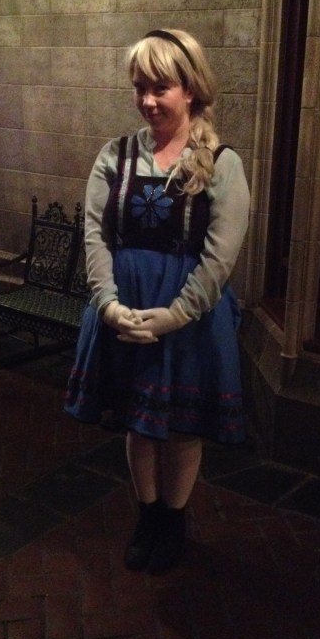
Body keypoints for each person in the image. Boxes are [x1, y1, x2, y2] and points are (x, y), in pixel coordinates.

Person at [65, 28, 250, 574]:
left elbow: (220, 257)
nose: (147, 100)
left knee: (183, 427)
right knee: (137, 421)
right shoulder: (115, 156)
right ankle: (147, 517)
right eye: (139, 87)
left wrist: (175, 315)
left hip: (189, 317)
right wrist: (107, 303)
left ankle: (173, 521)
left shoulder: (222, 163)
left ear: (190, 89)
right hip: (125, 308)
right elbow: (95, 234)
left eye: (160, 88)